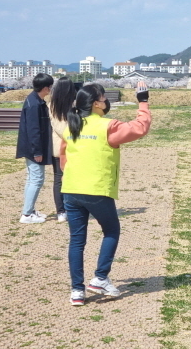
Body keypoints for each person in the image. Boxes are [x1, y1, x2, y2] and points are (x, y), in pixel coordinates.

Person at [60, 82, 151, 306]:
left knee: (77, 241)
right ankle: (100, 278)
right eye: (103, 97)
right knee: (111, 231)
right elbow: (140, 128)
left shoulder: (70, 126)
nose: (106, 100)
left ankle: (77, 291)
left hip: (71, 189)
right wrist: (143, 101)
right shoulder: (107, 126)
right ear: (97, 104)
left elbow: (63, 161)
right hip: (97, 189)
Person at [16, 73, 53, 224]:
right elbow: (33, 130)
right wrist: (37, 151)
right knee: (36, 179)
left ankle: (29, 210)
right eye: (50, 86)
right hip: (33, 149)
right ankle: (26, 214)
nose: (51, 89)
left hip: (31, 147)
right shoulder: (34, 104)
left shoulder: (35, 100)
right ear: (45, 88)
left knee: (32, 179)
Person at [49, 77, 77, 222]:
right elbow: (60, 128)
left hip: (64, 147)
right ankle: (61, 211)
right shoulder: (53, 106)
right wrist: (73, 134)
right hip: (64, 148)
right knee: (60, 179)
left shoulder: (55, 106)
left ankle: (66, 209)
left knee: (64, 179)